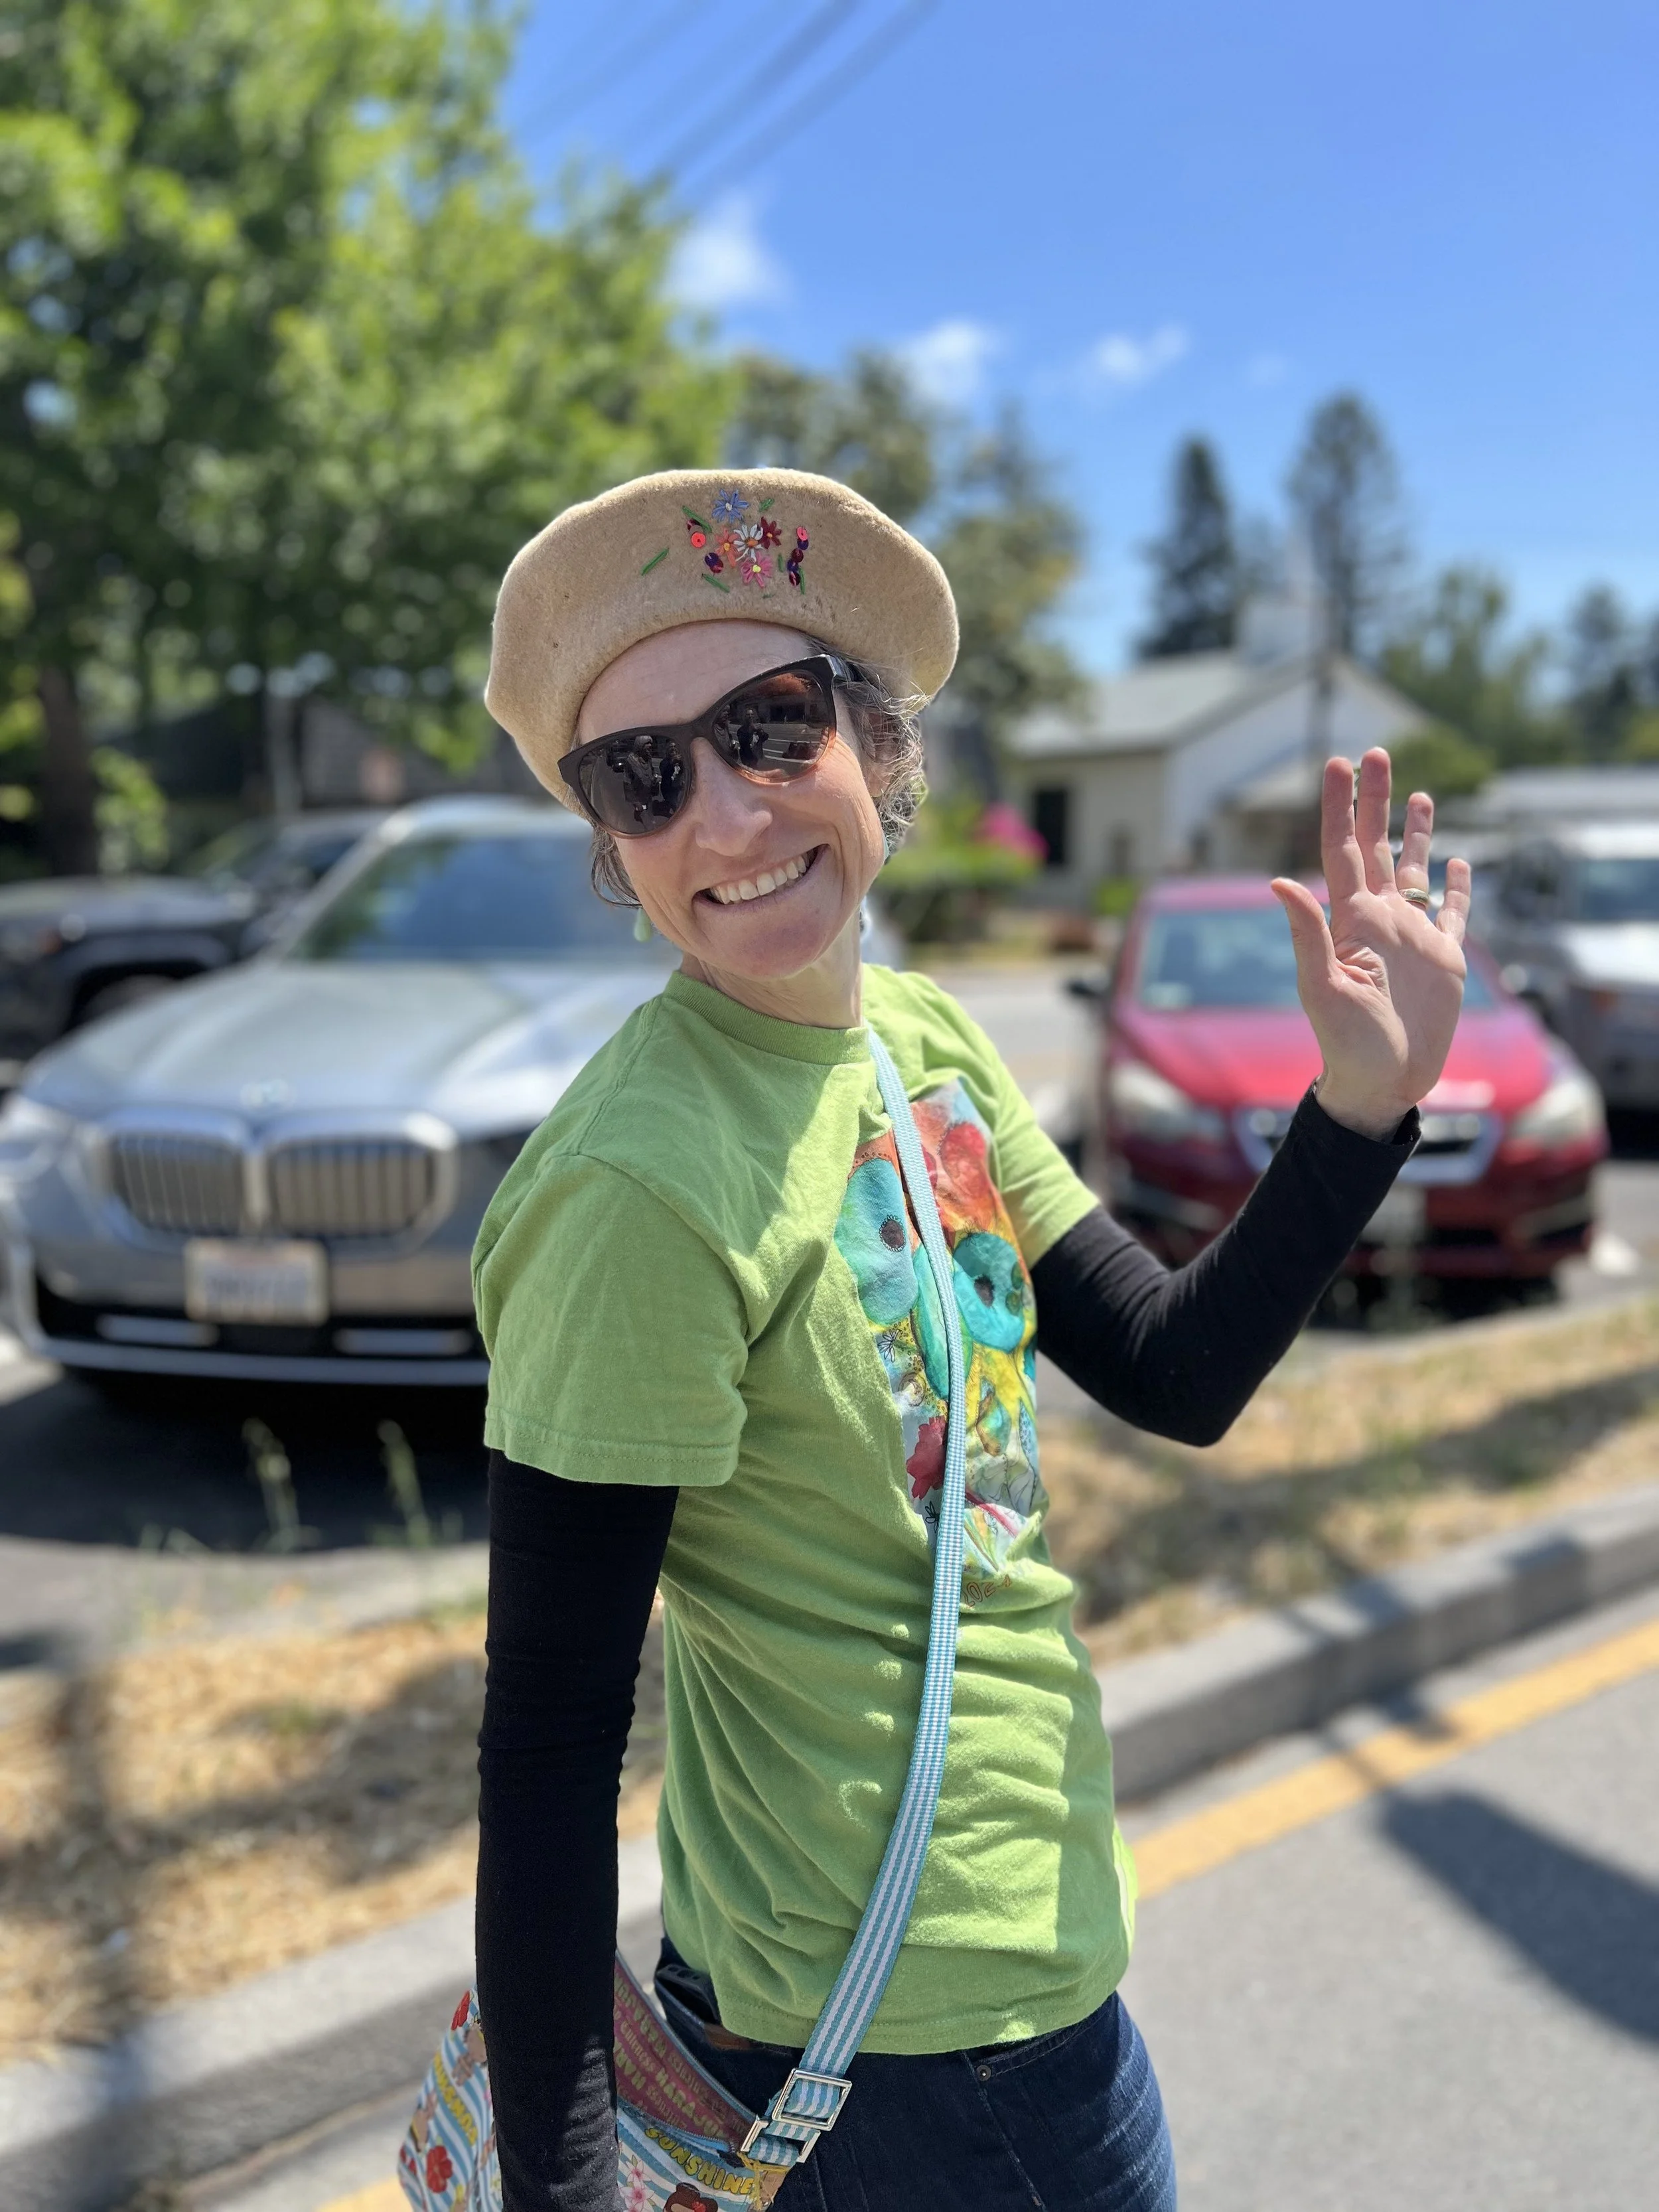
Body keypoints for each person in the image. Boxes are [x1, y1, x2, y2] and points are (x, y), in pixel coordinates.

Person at [469, 469, 1471, 2212]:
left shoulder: (922, 1043)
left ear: (869, 740)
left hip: (1004, 1954)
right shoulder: (638, 1182)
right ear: (611, 844)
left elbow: (1168, 1365)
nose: (723, 812)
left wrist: (1357, 1107)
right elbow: (549, 1743)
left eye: (769, 726)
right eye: (645, 775)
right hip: (910, 2042)